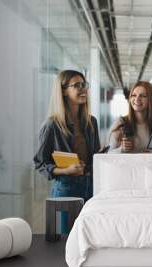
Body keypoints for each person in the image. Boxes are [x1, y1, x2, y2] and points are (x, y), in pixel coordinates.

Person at [33, 70, 100, 234]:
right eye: (77, 85)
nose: (83, 89)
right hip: (66, 189)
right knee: (66, 240)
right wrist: (66, 170)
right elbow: (40, 163)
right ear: (63, 91)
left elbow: (95, 155)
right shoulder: (51, 125)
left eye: (84, 85)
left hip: (90, 187)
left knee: (89, 236)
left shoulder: (91, 122)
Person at [109, 81, 152, 153]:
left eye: (142, 96)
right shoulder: (121, 123)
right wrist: (121, 149)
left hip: (149, 164)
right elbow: (108, 154)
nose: (137, 99)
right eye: (134, 95)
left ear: (150, 99)